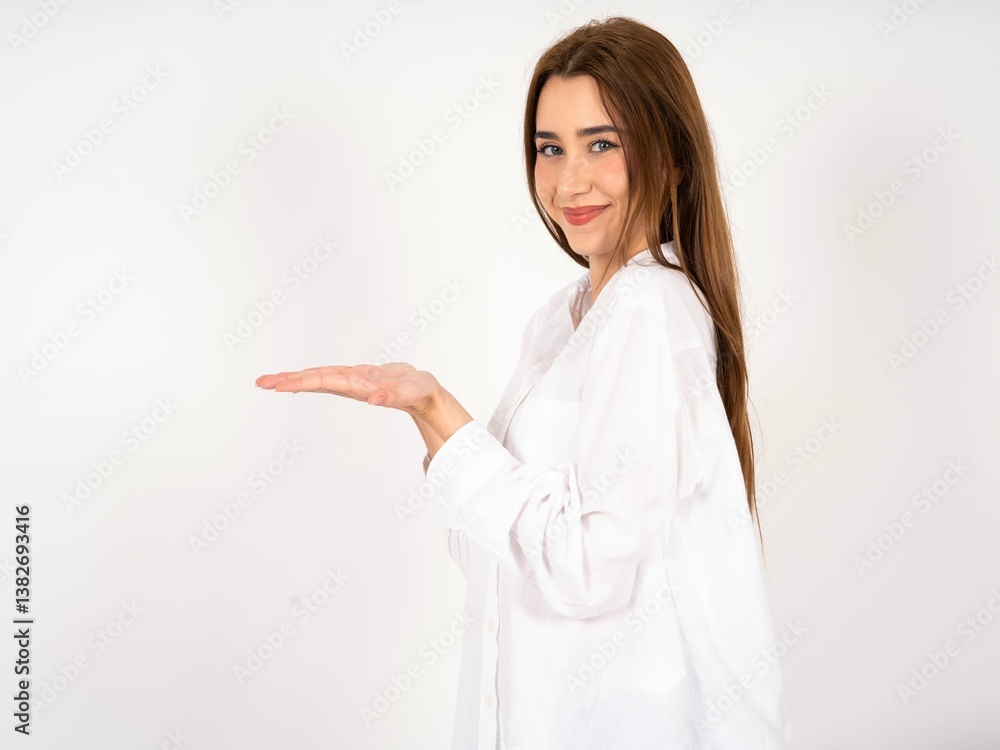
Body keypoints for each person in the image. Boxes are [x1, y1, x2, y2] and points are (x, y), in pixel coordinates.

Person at [256, 15, 793, 749]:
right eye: (550, 148)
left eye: (602, 143)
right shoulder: (563, 320)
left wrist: (443, 411)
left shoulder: (649, 308)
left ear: (671, 157)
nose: (569, 181)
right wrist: (429, 420)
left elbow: (584, 571)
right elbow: (494, 557)